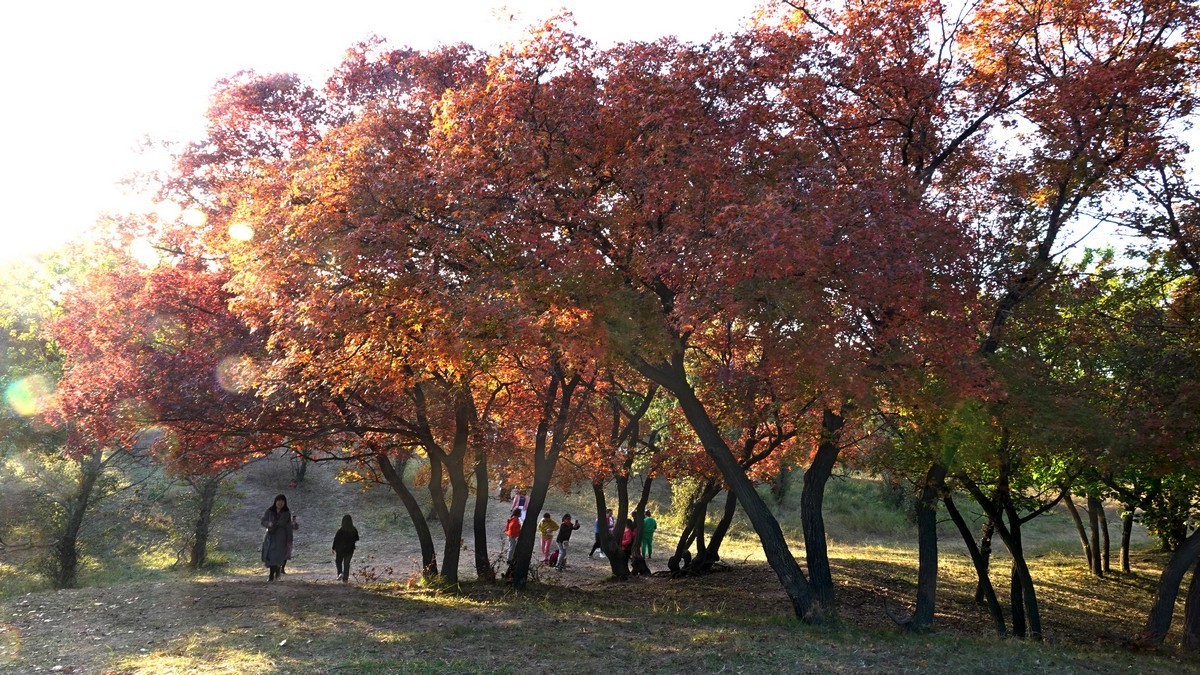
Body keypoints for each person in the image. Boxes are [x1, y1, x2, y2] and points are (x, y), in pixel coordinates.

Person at [260, 494, 294, 582]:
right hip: (271, 536)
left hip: (281, 537)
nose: (280, 503)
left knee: (278, 556)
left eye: (282, 501)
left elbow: (289, 526)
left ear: (284, 503)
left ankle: (277, 572)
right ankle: (272, 574)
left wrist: (289, 539)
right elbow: (263, 521)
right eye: (278, 501)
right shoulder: (270, 511)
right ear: (275, 501)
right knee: (270, 555)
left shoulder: (286, 513)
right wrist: (268, 524)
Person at [332, 514, 359, 583]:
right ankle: (345, 579)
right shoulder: (354, 529)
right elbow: (357, 538)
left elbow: (336, 540)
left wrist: (333, 548)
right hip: (350, 550)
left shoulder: (340, 530)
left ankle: (340, 573)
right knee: (347, 564)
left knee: (338, 562)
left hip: (340, 549)